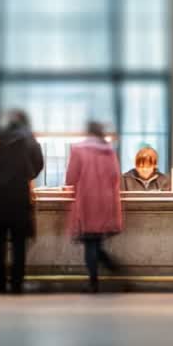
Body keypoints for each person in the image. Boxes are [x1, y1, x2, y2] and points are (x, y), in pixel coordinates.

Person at [0, 110, 44, 294]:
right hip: (19, 199)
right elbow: (37, 167)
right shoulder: (29, 141)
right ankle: (17, 284)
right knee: (19, 245)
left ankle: (0, 284)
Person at [66, 121, 124, 293]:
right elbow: (115, 177)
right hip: (105, 202)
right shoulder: (109, 152)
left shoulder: (78, 150)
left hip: (86, 201)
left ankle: (94, 281)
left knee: (90, 242)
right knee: (96, 241)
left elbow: (70, 178)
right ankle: (113, 268)